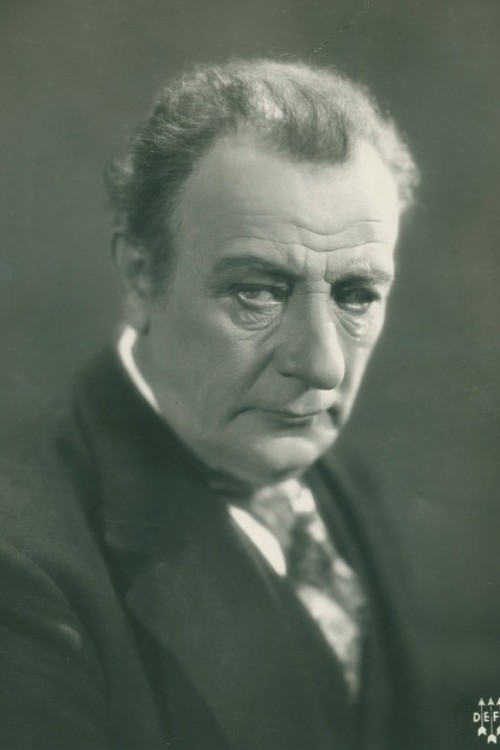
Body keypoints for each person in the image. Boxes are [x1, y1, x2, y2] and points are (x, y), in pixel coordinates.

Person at [0, 59, 425, 749]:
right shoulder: (23, 573)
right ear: (141, 277)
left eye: (356, 296)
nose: (323, 366)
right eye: (258, 291)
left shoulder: (342, 479)